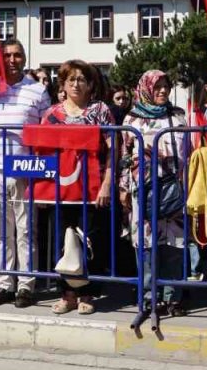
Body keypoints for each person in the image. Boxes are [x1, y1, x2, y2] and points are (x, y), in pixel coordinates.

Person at [0, 40, 51, 308]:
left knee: (26, 229)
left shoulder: (38, 90)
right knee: (1, 231)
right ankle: (5, 284)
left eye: (17, 55)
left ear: (24, 58)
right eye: (7, 55)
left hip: (24, 168)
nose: (12, 59)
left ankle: (26, 285)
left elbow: (45, 130)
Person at [41, 60, 115, 315]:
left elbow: (114, 149)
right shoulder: (52, 114)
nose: (76, 84)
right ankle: (67, 294)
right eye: (70, 79)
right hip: (60, 191)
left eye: (81, 79)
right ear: (62, 84)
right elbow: (43, 155)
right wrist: (40, 189)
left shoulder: (100, 110)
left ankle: (87, 293)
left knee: (89, 241)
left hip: (92, 189)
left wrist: (107, 183)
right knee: (63, 242)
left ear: (90, 84)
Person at [121, 70, 188, 315]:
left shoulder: (178, 116)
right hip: (143, 191)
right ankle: (150, 295)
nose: (162, 91)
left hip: (174, 189)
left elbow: (188, 153)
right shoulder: (132, 119)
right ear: (146, 88)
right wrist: (123, 188)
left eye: (166, 86)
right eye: (157, 86)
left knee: (174, 244)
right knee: (147, 245)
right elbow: (125, 157)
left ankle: (173, 295)